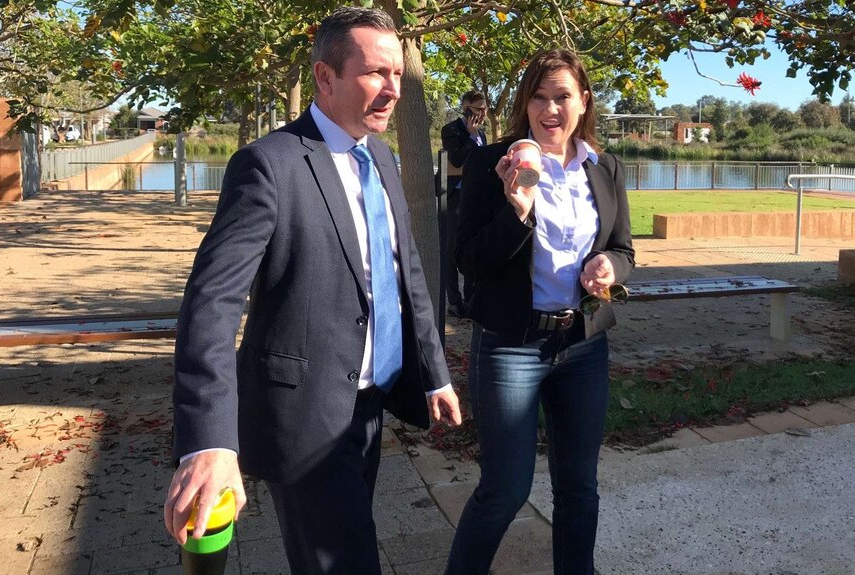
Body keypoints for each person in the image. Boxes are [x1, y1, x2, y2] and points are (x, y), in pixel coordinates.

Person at [163, 7, 462, 574]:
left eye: (398, 74)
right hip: (303, 417)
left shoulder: (382, 156)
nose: (393, 89)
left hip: (370, 407)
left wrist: (435, 370)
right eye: (375, 73)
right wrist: (207, 441)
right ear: (325, 78)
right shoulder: (267, 165)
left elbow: (404, 273)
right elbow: (212, 302)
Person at [445, 49, 635, 575]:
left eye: (562, 97)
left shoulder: (604, 166)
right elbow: (468, 262)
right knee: (505, 489)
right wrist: (517, 211)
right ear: (525, 103)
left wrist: (609, 269)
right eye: (539, 97)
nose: (550, 109)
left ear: (584, 102)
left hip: (583, 344)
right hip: (510, 346)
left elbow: (625, 250)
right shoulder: (494, 163)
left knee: (579, 486)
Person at [440, 90, 487, 318]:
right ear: (466, 107)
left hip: (475, 197)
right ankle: (454, 301)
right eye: (478, 109)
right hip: (454, 198)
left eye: (485, 109)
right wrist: (469, 135)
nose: (483, 113)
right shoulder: (451, 130)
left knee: (472, 247)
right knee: (451, 250)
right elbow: (456, 159)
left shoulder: (483, 134)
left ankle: (470, 298)